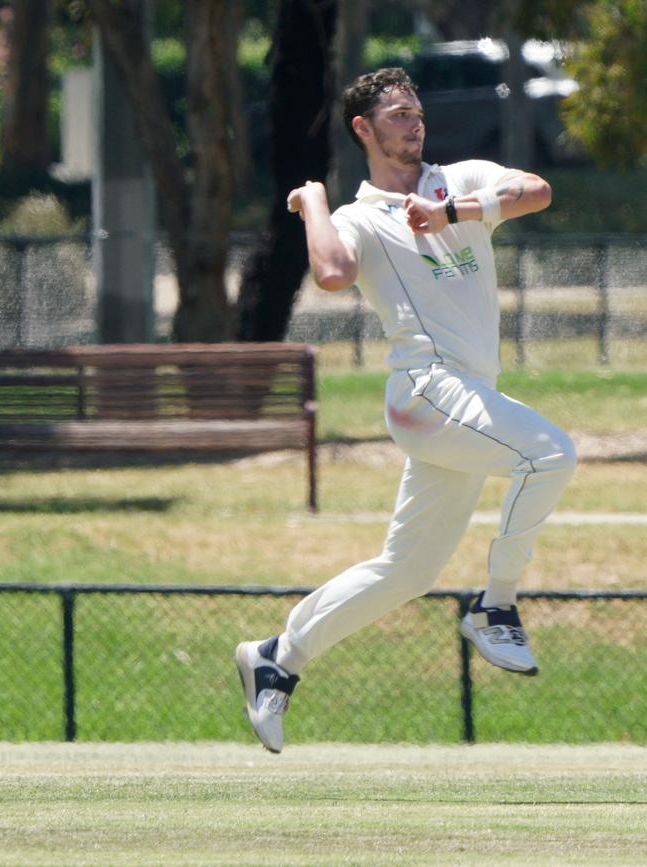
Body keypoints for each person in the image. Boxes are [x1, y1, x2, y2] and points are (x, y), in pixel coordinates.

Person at [235, 67, 576, 753]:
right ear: (363, 129)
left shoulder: (460, 179)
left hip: (465, 400)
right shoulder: (360, 215)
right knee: (550, 452)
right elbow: (331, 274)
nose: (413, 124)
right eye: (396, 114)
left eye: (416, 112)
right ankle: (497, 603)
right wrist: (316, 204)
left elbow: (535, 190)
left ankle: (278, 654)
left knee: (408, 570)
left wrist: (458, 214)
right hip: (426, 390)